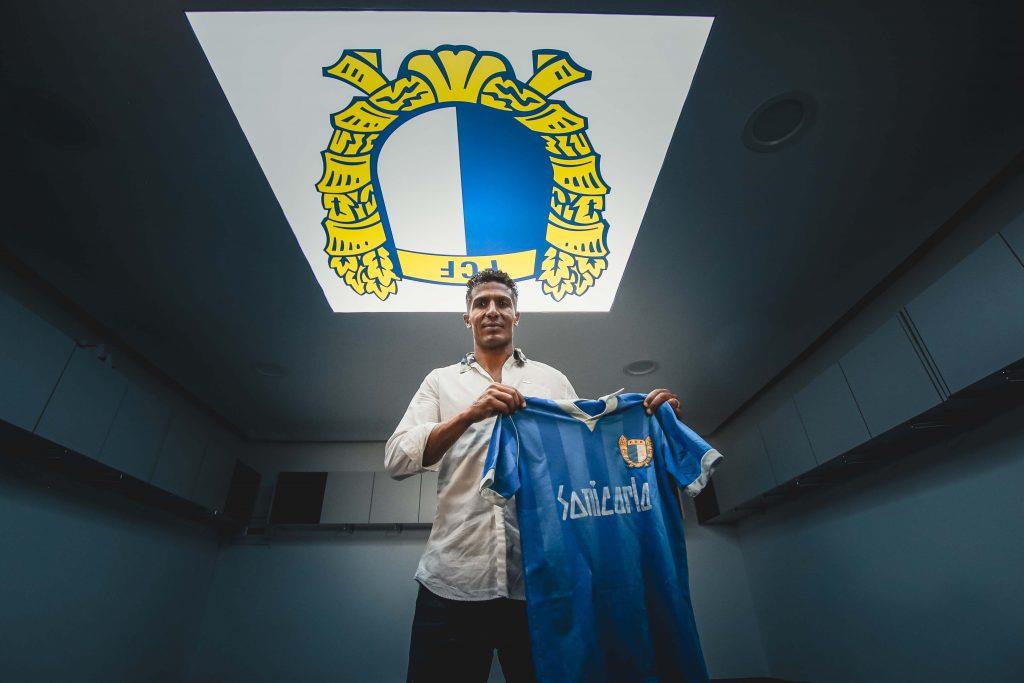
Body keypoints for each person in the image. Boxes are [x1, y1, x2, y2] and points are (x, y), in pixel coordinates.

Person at [385, 268, 685, 683]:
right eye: (481, 304)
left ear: (516, 315)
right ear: (467, 317)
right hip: (452, 579)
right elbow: (397, 459)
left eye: (502, 303)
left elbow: (586, 456)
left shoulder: (551, 380)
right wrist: (470, 414)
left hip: (543, 583)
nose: (492, 310)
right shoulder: (440, 381)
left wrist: (650, 421)